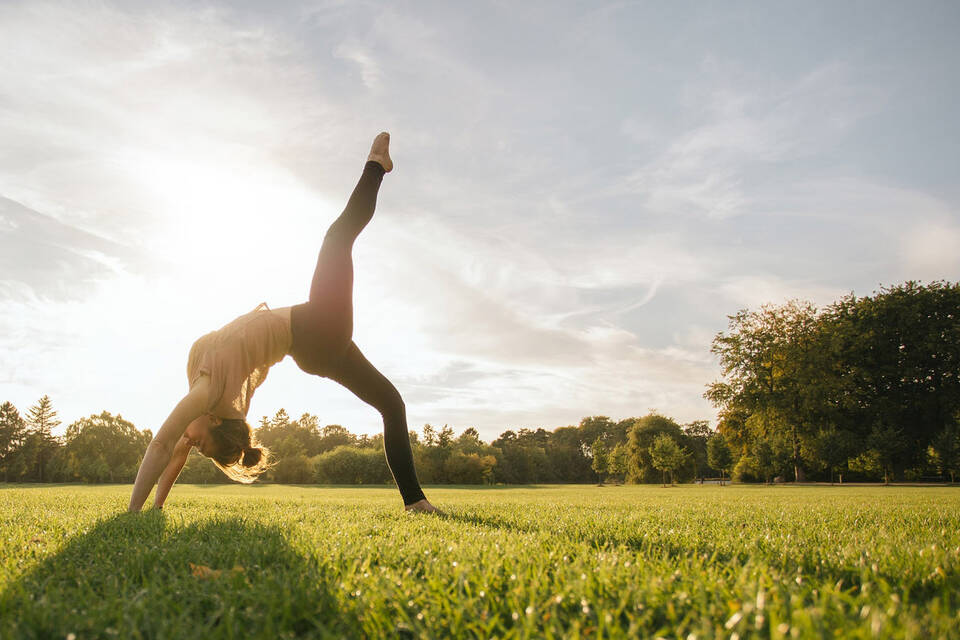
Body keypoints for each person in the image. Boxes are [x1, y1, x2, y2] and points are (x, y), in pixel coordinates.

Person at [128, 132, 440, 514]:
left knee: (392, 404)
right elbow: (163, 447)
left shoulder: (208, 397)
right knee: (336, 239)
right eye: (202, 447)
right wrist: (131, 515)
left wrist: (152, 509)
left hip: (315, 347)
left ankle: (415, 502)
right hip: (314, 333)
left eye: (197, 446)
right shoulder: (208, 394)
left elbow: (170, 452)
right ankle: (376, 165)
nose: (191, 445)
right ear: (212, 421)